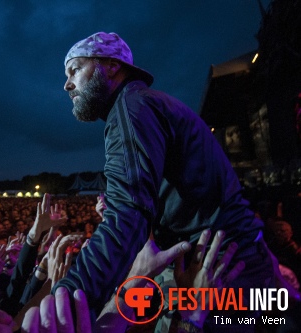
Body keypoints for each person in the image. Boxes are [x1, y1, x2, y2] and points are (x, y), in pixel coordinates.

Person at [54, 31, 274, 331]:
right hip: (232, 263)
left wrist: (63, 303)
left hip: (220, 273)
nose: (67, 84)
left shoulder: (131, 109)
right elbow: (170, 200)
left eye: (74, 70)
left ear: (110, 65)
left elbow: (128, 213)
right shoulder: (143, 105)